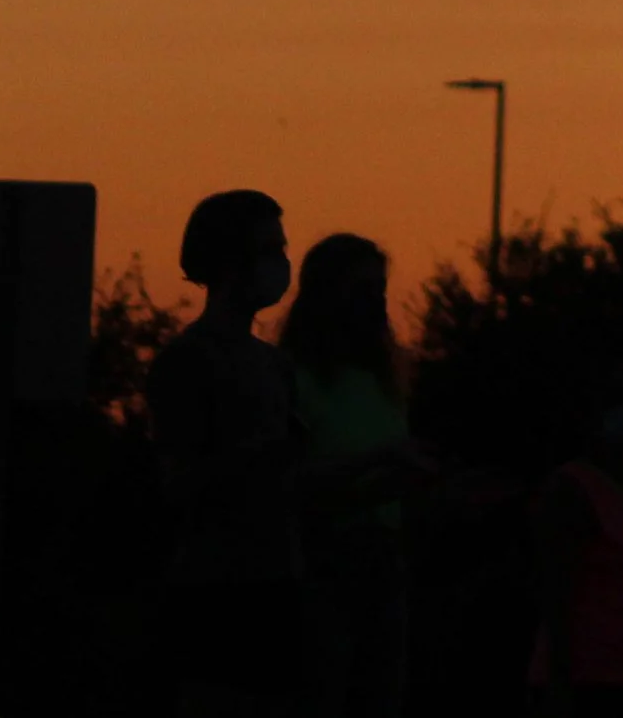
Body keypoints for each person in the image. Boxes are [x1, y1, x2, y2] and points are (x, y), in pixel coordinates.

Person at [148, 189, 304, 718]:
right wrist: (260, 455)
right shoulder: (188, 361)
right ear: (229, 261)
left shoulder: (275, 365)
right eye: (269, 249)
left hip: (277, 583)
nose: (281, 262)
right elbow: (178, 485)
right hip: (215, 592)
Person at [282, 233, 430, 718]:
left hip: (385, 563)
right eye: (362, 290)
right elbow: (290, 485)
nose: (376, 303)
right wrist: (380, 466)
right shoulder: (293, 379)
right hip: (324, 566)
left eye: (380, 290)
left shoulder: (383, 379)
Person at [530, 360, 623, 717]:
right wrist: (559, 684)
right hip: (595, 682)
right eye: (617, 399)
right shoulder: (570, 489)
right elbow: (554, 593)